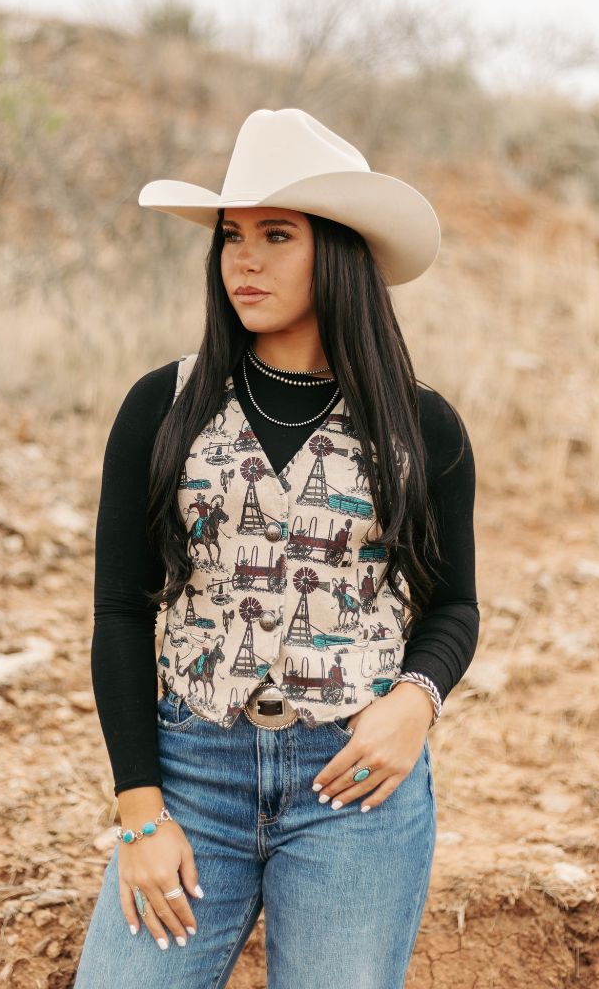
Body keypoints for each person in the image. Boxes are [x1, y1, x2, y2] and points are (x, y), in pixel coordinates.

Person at [73, 108, 479, 988]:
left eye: (276, 234)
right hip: (193, 772)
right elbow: (119, 609)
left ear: (338, 252)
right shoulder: (164, 405)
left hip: (354, 787)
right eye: (231, 235)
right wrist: (140, 811)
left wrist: (416, 703)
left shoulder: (422, 426)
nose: (244, 261)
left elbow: (453, 604)